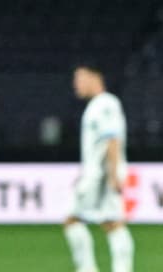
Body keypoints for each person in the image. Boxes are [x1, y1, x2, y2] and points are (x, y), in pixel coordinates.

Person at [63, 64, 134, 272]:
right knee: (111, 223)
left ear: (95, 77)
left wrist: (113, 174)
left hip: (101, 175)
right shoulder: (99, 105)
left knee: (73, 220)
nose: (76, 84)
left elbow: (112, 139)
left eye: (80, 78)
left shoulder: (105, 104)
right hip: (98, 173)